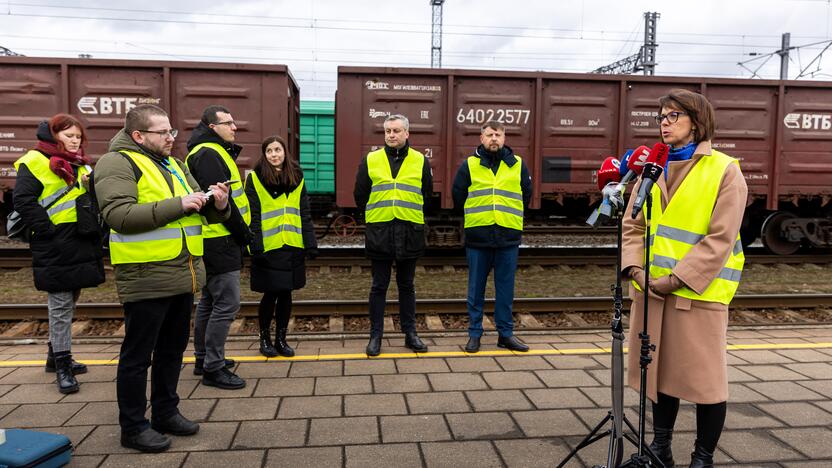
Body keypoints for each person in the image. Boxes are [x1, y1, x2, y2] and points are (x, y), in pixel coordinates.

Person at [94, 104, 230, 453]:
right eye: (163, 133)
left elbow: (200, 210)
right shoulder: (117, 162)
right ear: (139, 135)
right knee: (138, 356)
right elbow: (119, 216)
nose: (172, 138)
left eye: (172, 131)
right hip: (145, 276)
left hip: (181, 273)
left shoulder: (173, 162)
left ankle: (166, 412)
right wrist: (180, 204)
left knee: (172, 351)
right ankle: (134, 426)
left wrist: (218, 203)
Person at [621, 89, 746, 468]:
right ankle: (661, 450)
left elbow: (720, 238)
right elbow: (632, 225)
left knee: (707, 383)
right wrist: (635, 270)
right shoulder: (652, 169)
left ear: (697, 121)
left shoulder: (725, 169)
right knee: (660, 376)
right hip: (652, 291)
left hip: (700, 292)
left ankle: (702, 457)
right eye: (661, 115)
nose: (663, 122)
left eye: (673, 115)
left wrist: (675, 279)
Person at [12, 114, 105, 394]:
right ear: (53, 137)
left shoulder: (80, 164)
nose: (75, 141)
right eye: (69, 136)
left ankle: (56, 357)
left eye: (78, 136)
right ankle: (63, 367)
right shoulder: (35, 161)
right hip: (55, 242)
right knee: (61, 305)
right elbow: (23, 200)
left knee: (72, 297)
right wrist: (47, 229)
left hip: (78, 240)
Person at [353, 114, 431, 356]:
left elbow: (426, 194)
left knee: (407, 286)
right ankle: (376, 336)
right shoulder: (371, 159)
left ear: (407, 133)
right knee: (379, 286)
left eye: (396, 131)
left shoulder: (420, 160)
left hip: (410, 232)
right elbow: (360, 194)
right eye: (387, 131)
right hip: (381, 231)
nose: (391, 135)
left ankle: (411, 334)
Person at [185, 105, 251, 390]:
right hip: (219, 238)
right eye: (229, 123)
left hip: (215, 238)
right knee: (226, 304)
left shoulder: (209, 151)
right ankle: (213, 367)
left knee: (210, 303)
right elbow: (219, 200)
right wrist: (243, 233)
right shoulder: (208, 154)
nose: (234, 127)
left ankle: (204, 359)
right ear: (212, 127)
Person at [451, 120, 532, 354]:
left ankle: (505, 335)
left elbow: (525, 195)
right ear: (481, 138)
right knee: (475, 289)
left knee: (505, 290)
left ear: (504, 138)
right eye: (489, 135)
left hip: (508, 236)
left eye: (497, 134)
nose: (493, 138)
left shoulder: (517, 165)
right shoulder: (470, 165)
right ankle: (474, 334)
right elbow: (458, 196)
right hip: (479, 237)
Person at [246, 136, 317, 358]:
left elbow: (304, 213)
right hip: (268, 248)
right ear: (264, 154)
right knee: (270, 295)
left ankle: (281, 339)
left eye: (278, 150)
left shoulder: (297, 176)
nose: (274, 154)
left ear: (285, 152)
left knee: (286, 294)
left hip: (292, 245)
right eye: (269, 151)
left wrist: (310, 242)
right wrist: (255, 244)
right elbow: (253, 215)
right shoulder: (255, 179)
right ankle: (265, 339)